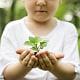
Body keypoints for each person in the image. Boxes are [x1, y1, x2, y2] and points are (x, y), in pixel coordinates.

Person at [0, 0, 80, 80]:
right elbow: (7, 75)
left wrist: (55, 66)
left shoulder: (68, 29)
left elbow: (72, 74)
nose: (41, 2)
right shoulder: (12, 29)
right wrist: (24, 65)